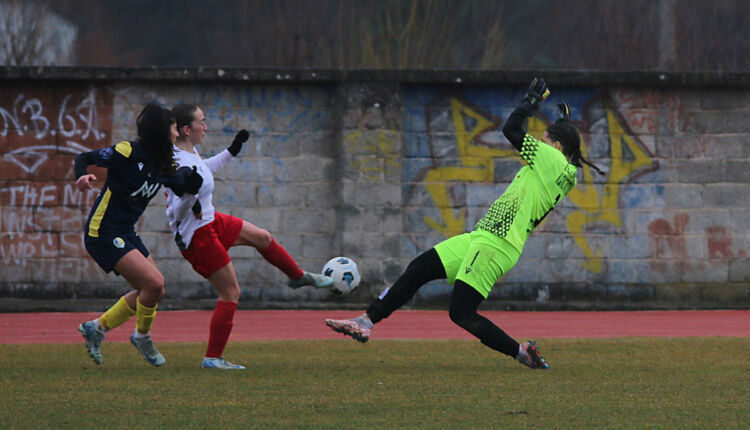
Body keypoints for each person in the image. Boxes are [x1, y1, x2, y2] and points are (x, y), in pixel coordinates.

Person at [326, 78, 604, 369]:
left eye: (545, 140)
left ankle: (521, 352)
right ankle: (366, 321)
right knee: (420, 268)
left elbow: (511, 129)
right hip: (483, 238)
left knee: (461, 312)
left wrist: (530, 103)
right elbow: (557, 151)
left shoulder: (552, 161)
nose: (538, 144)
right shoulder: (563, 169)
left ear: (556, 146)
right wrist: (562, 124)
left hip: (497, 243)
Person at [165, 103, 334, 370]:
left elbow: (203, 172)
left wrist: (231, 152)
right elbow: (176, 208)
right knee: (231, 293)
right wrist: (191, 200)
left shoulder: (188, 153)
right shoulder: (177, 162)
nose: (206, 126)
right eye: (202, 122)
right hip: (196, 235)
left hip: (211, 221)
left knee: (263, 238)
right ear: (187, 129)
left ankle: (297, 277)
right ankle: (213, 358)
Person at [75, 102, 202, 366]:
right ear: (160, 130)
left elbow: (183, 188)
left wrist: (195, 190)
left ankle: (97, 327)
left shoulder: (163, 163)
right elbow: (84, 158)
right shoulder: (127, 151)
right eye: (173, 128)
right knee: (153, 284)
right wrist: (82, 176)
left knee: (155, 290)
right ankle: (142, 337)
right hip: (103, 231)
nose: (177, 133)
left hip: (125, 232)